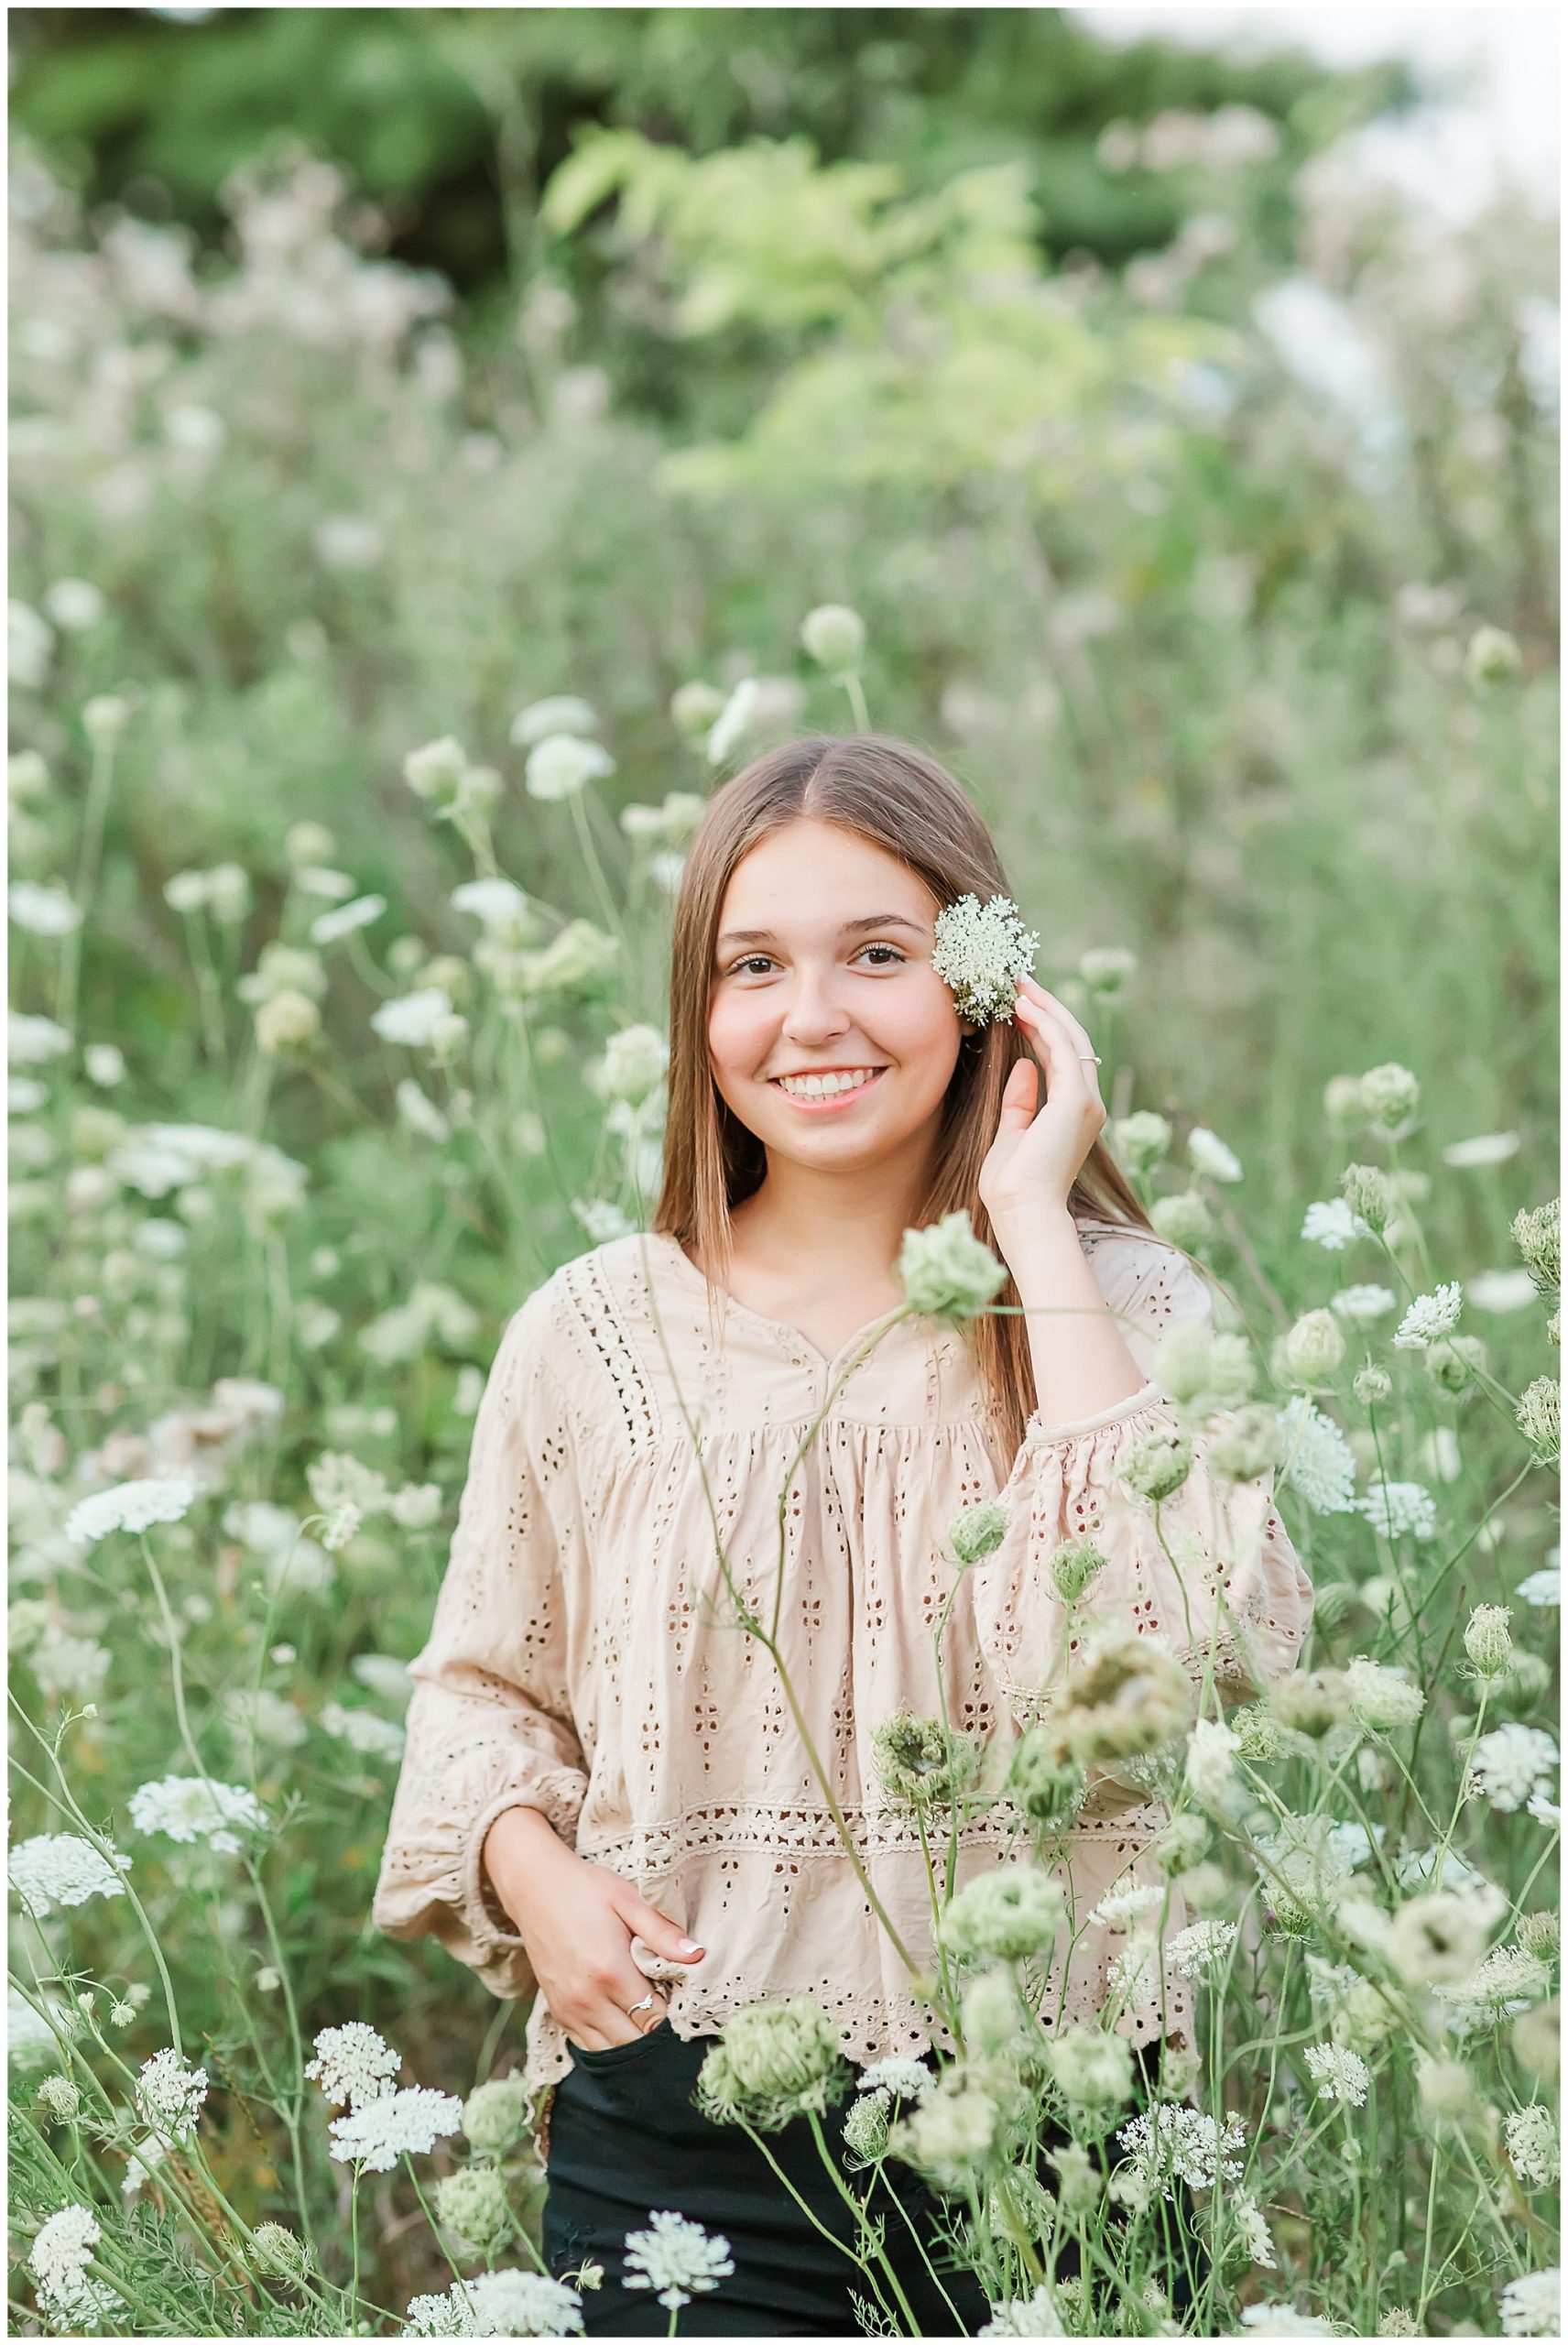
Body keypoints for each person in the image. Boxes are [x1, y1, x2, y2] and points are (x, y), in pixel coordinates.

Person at [372, 732, 1314, 2335]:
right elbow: (481, 1692)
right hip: (679, 2114)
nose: (811, 1016)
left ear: (986, 983)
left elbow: (1155, 1678)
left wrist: (1034, 1216)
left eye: (878, 954)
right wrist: (533, 1876)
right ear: (699, 1010)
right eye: (754, 965)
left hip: (1069, 2129)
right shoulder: (596, 1333)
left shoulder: (1126, 1306)